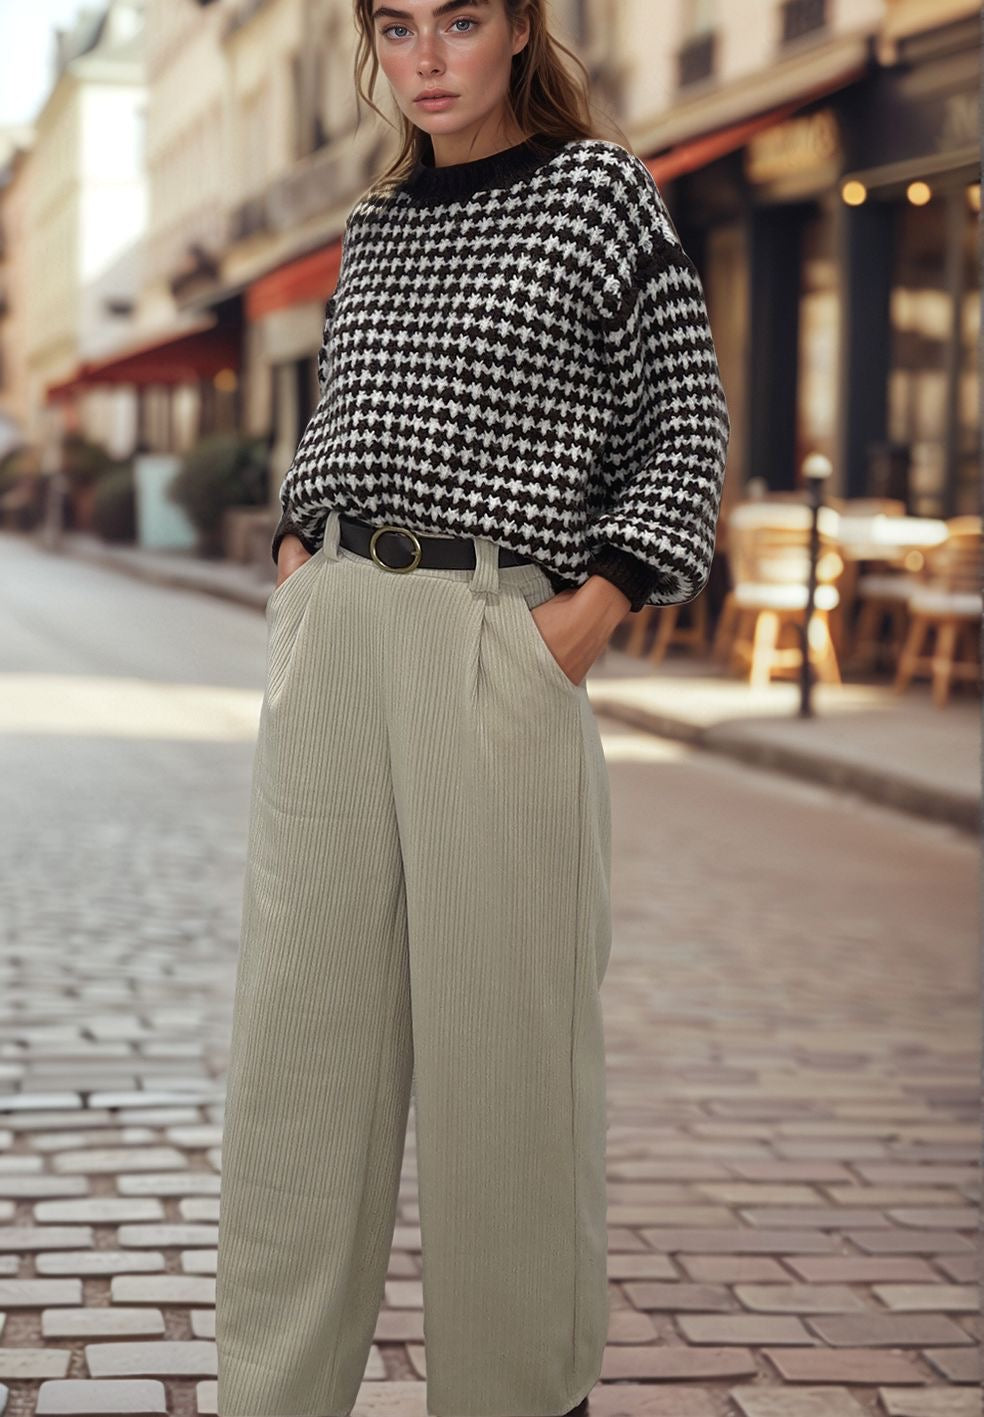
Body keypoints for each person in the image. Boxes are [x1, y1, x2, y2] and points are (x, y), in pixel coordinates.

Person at [214, 2, 730, 1414]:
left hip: (497, 639)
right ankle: (275, 1389)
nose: (425, 57)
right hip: (340, 641)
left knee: (509, 1052)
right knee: (299, 1044)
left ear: (517, 32)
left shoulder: (597, 195)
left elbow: (683, 424)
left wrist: (589, 609)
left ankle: (515, 1394)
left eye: (460, 20)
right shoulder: (377, 224)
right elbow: (341, 414)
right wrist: (298, 550)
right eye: (397, 27)